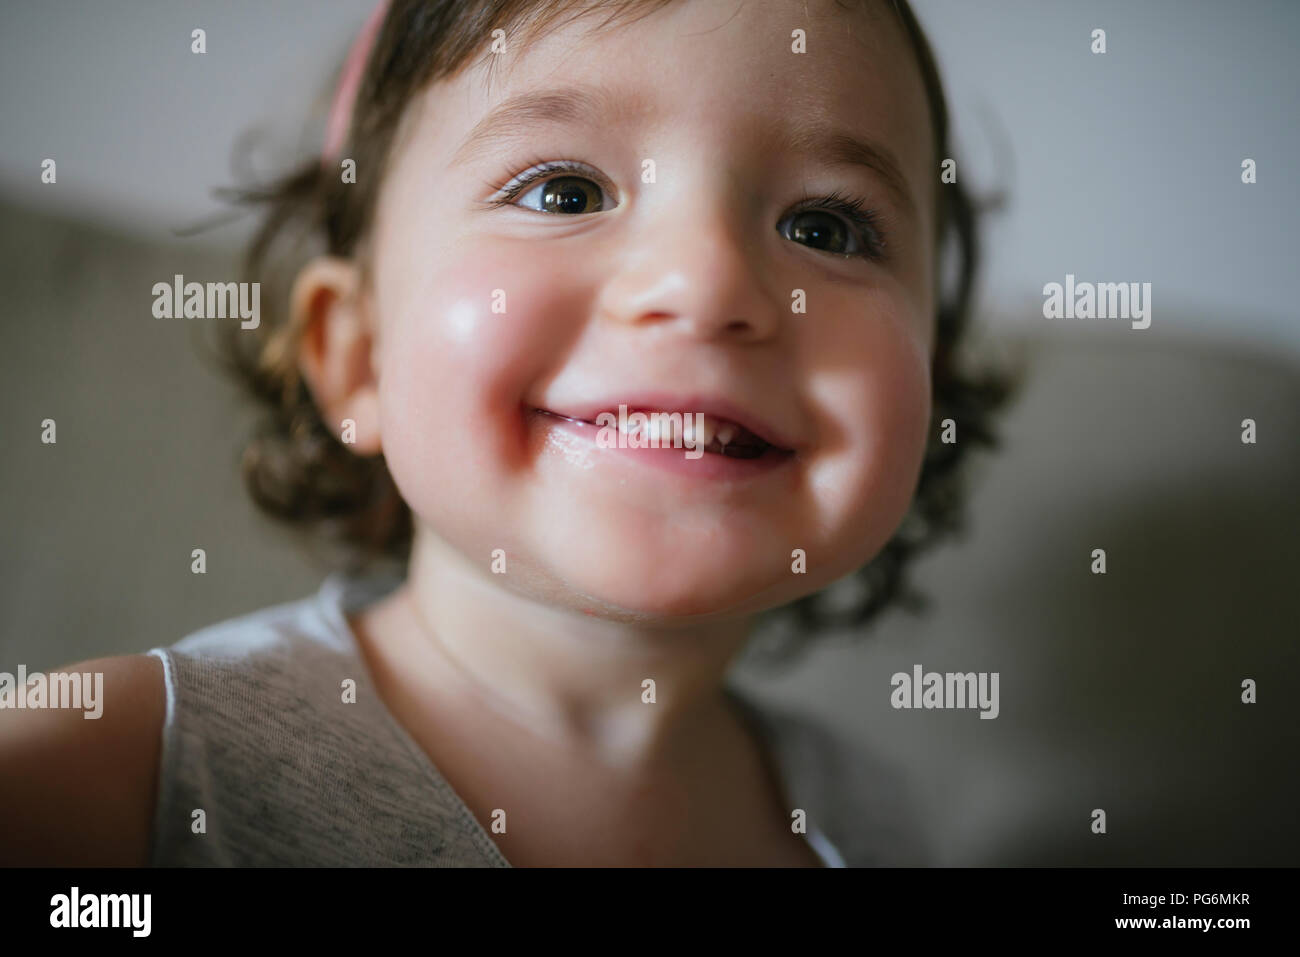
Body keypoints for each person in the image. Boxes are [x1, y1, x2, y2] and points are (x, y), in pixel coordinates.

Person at [0, 0, 1012, 867]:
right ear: (357, 356)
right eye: (563, 193)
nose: (705, 284)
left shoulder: (874, 827)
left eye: (825, 227)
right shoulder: (121, 766)